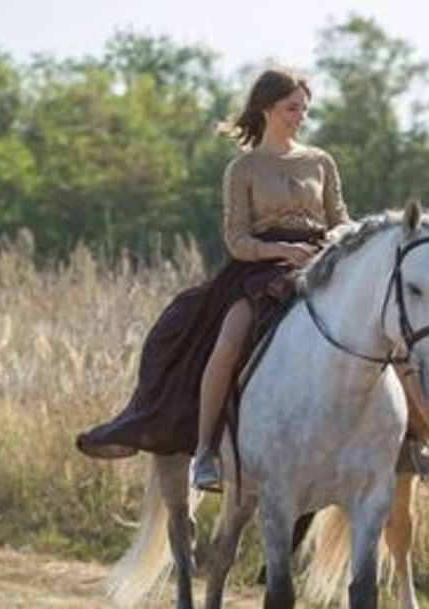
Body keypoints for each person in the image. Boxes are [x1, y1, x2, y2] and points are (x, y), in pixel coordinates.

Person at [75, 68, 348, 492]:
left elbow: (342, 220)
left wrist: (330, 240)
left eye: (305, 109)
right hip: (260, 271)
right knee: (230, 340)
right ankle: (205, 452)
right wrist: (282, 252)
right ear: (266, 109)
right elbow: (237, 240)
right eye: (292, 108)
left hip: (319, 264)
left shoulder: (320, 161)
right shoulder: (244, 168)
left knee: (376, 325)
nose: (302, 116)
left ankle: (398, 442)